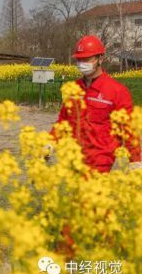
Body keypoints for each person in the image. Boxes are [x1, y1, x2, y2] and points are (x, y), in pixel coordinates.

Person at [53, 35, 141, 172]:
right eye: (79, 59)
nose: (82, 63)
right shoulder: (73, 89)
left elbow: (128, 129)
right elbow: (63, 120)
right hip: (73, 161)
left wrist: (135, 161)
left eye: (87, 59)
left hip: (100, 164)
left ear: (101, 58)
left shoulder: (117, 91)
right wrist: (50, 142)